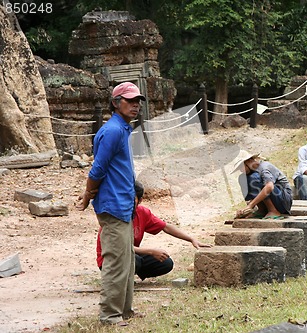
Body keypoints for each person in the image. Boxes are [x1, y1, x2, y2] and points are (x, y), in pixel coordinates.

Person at [76, 82, 145, 326]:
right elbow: (98, 168)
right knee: (116, 262)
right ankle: (109, 315)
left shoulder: (123, 129)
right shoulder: (113, 130)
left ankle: (124, 310)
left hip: (124, 204)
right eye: (130, 100)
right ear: (116, 103)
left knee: (128, 260)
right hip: (112, 205)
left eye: (138, 101)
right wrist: (88, 193)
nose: (135, 105)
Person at [96, 181, 212, 280]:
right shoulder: (113, 215)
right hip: (111, 258)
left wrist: (191, 239)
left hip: (131, 254)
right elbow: (119, 247)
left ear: (140, 200)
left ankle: (130, 274)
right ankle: (119, 278)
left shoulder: (142, 212)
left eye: (131, 199)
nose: (127, 202)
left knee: (165, 263)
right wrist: (151, 251)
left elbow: (165, 227)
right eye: (124, 198)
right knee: (133, 260)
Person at [232, 150, 293, 219]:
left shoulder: (264, 167)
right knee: (243, 178)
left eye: (241, 167)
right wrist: (246, 210)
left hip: (283, 201)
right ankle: (262, 210)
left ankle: (273, 210)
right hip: (275, 198)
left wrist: (251, 205)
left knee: (254, 177)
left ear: (248, 162)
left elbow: (269, 186)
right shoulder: (252, 173)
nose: (241, 170)